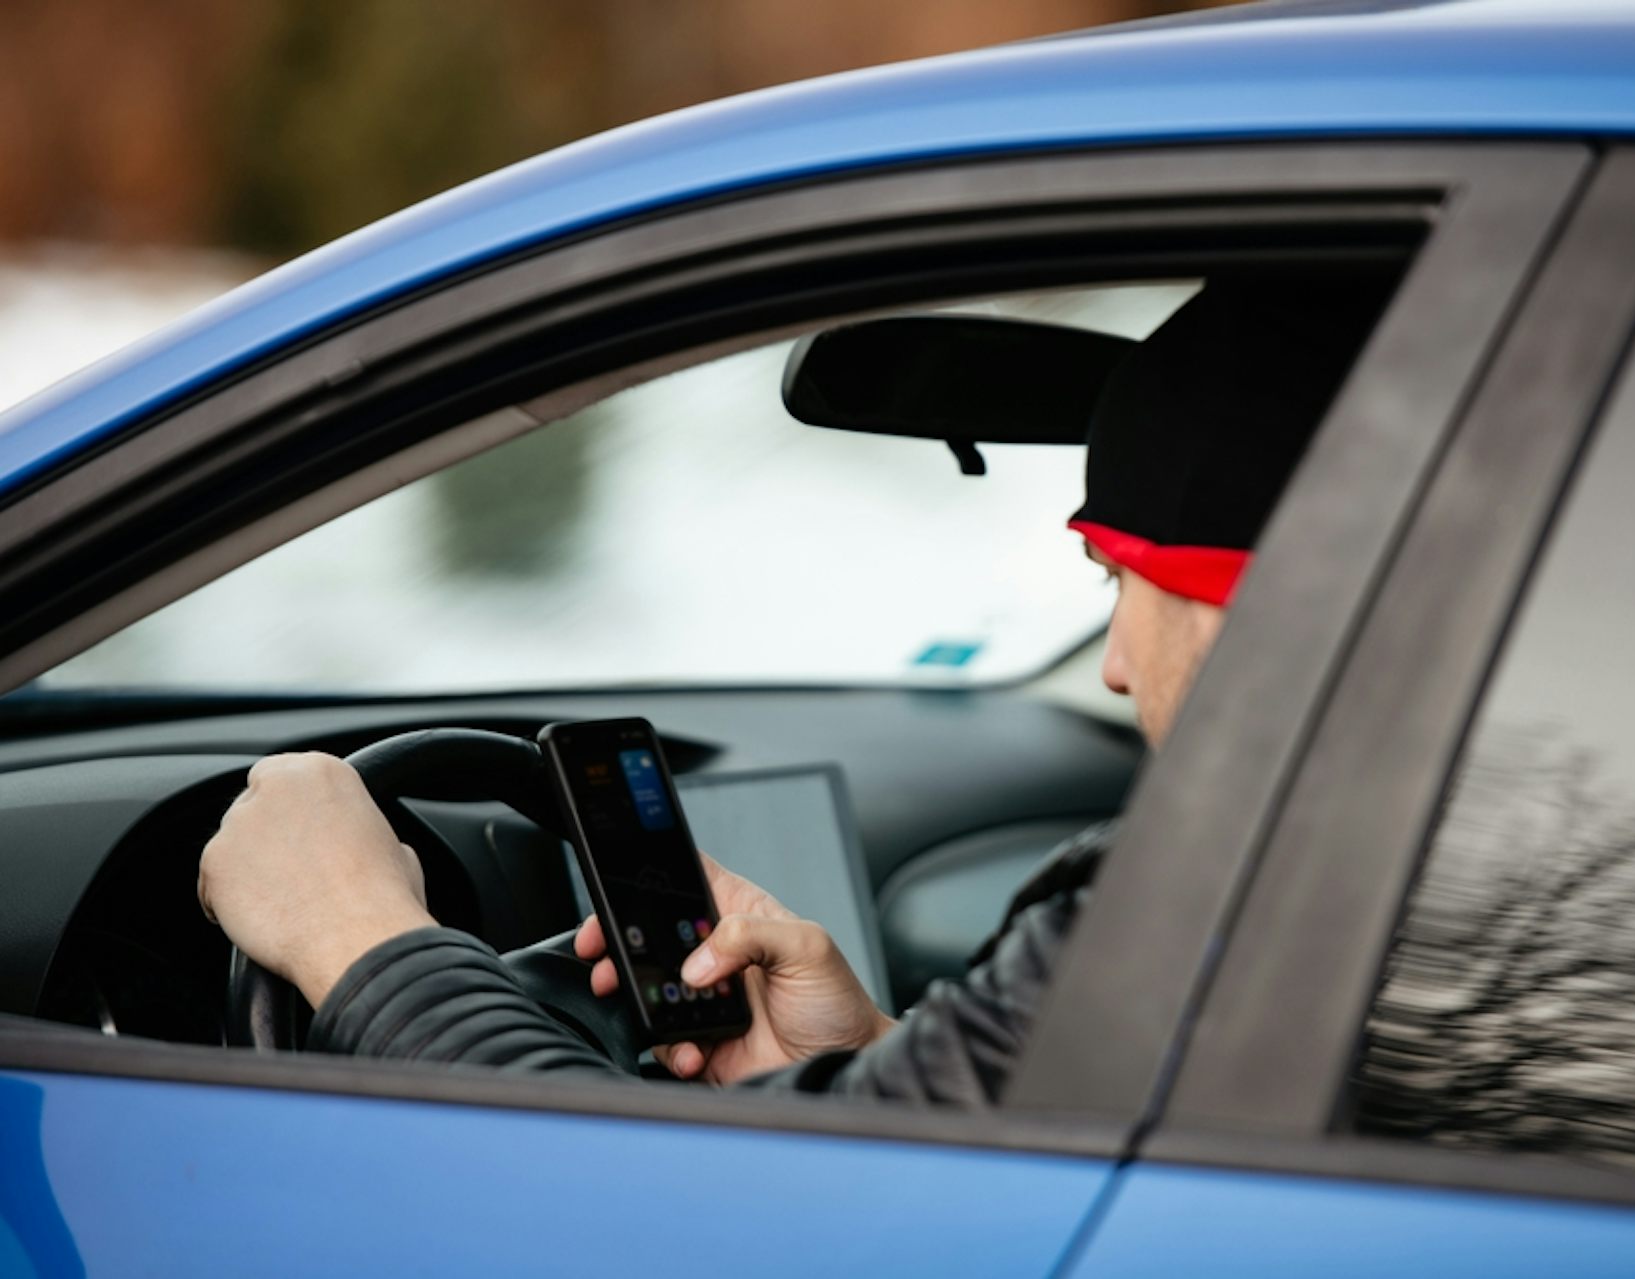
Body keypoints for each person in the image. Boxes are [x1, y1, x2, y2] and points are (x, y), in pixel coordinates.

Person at [198, 283, 1365, 1103]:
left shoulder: (1207, 918)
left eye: (1121, 580)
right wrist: (872, 1052)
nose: (1112, 662)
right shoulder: (1387, 894)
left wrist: (362, 942)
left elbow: (678, 1231)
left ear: (1238, 596)